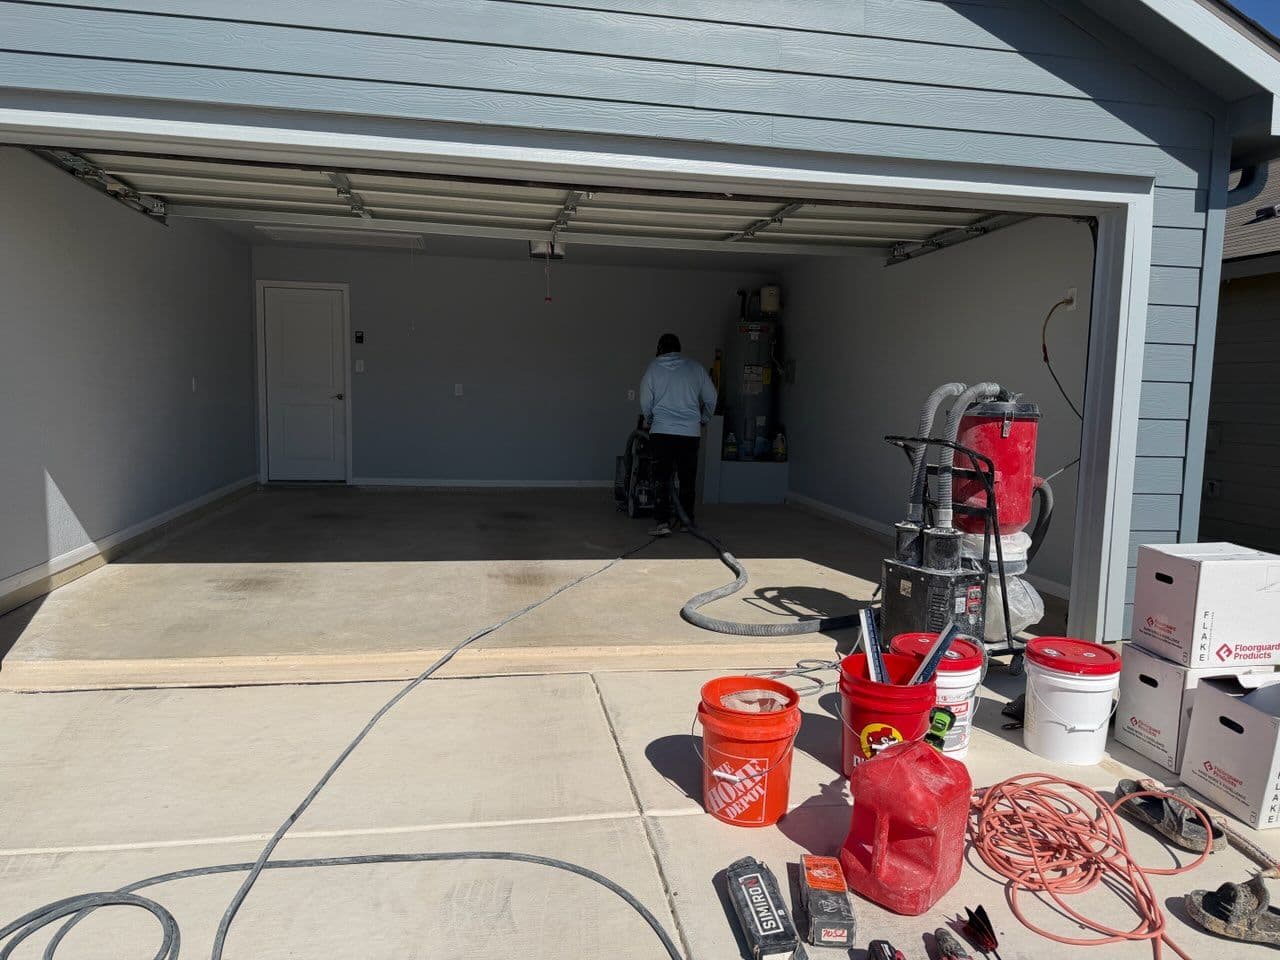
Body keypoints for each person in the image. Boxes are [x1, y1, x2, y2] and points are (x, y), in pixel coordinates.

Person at [639, 333, 717, 536]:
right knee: (687, 478)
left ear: (659, 349)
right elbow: (711, 397)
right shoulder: (695, 368)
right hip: (690, 433)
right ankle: (686, 521)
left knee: (661, 478)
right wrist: (704, 419)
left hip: (662, 432)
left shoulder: (653, 368)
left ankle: (662, 523)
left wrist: (650, 419)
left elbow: (645, 400)